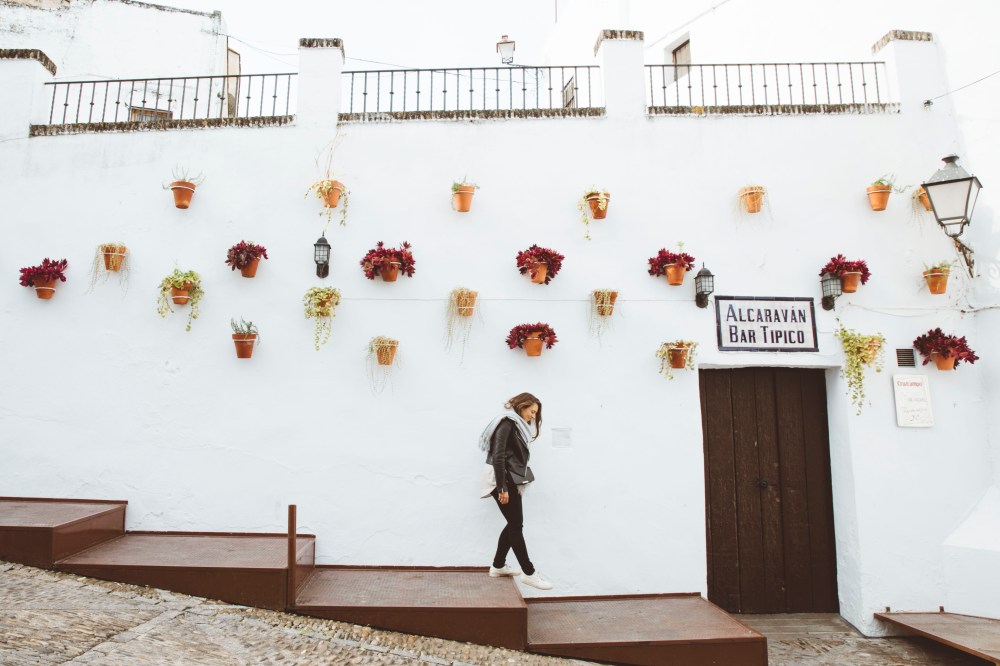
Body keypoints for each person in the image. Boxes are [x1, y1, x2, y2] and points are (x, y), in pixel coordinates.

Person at [479, 392, 553, 590]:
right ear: (522, 406)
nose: (533, 416)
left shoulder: (515, 425)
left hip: (509, 479)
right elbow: (498, 455)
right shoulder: (507, 423)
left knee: (514, 523)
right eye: (532, 411)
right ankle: (529, 573)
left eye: (536, 413)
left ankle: (498, 565)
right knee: (516, 526)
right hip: (502, 480)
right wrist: (502, 487)